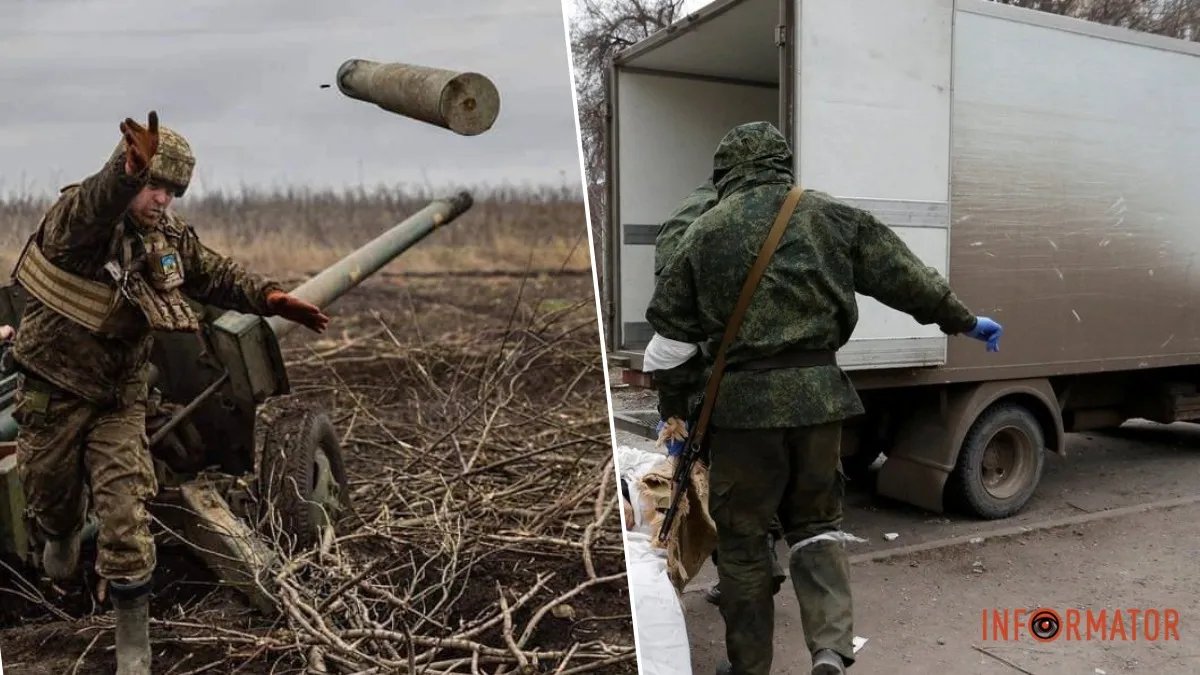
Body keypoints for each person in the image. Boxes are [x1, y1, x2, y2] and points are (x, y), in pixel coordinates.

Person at [646, 121, 1002, 675]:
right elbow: (907, 279)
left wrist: (677, 418)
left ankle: (749, 667)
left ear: (723, 174)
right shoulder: (832, 216)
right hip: (819, 400)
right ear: (783, 165)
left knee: (741, 543)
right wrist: (965, 320)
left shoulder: (700, 233)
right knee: (817, 526)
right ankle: (830, 650)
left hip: (743, 414)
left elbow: (670, 347)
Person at [9, 111, 329, 675]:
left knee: (126, 518)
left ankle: (135, 654)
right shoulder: (79, 224)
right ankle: (58, 537)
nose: (163, 200)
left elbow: (216, 275)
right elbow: (98, 201)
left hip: (118, 398)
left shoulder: (168, 239)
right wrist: (125, 170)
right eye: (155, 186)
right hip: (53, 392)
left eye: (173, 191)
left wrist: (274, 298)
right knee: (50, 500)